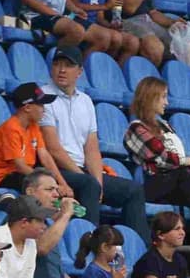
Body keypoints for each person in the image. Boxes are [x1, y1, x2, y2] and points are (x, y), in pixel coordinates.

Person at [39, 50, 149, 238]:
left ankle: (141, 254)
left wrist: (98, 181)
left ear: (79, 72)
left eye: (68, 65)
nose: (62, 70)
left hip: (81, 171)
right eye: (57, 64)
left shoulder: (86, 101)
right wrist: (88, 179)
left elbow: (91, 148)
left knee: (133, 190)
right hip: (54, 169)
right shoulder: (43, 96)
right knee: (89, 185)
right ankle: (89, 246)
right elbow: (53, 149)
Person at [124, 76, 190, 214]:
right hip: (157, 184)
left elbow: (176, 156)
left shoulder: (165, 125)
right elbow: (164, 159)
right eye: (163, 97)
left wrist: (186, 165)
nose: (166, 102)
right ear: (151, 98)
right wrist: (188, 161)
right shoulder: (136, 128)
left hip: (177, 180)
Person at [0, 83, 71, 194]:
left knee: (72, 185)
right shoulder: (11, 128)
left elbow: (45, 156)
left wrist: (63, 184)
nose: (44, 110)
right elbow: (20, 166)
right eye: (41, 105)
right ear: (27, 107)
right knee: (43, 189)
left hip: (23, 173)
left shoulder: (33, 125)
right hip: (3, 177)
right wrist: (51, 184)